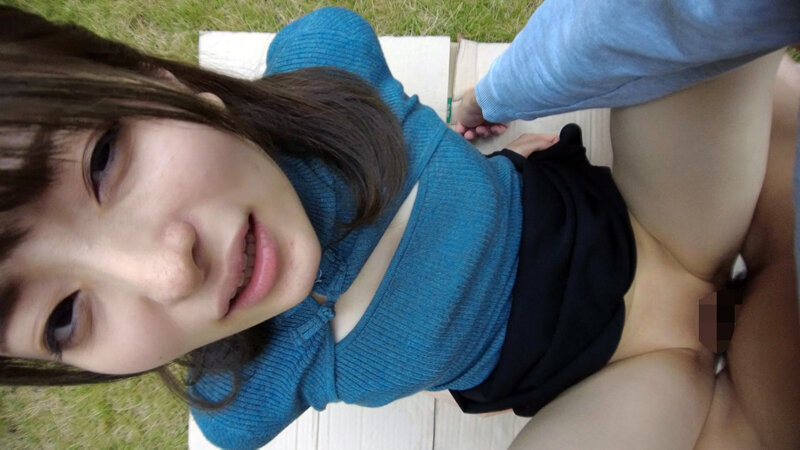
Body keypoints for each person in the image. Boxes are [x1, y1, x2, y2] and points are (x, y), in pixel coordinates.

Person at [0, 5, 790, 449]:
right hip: (616, 382)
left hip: (658, 224)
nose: (171, 272)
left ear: (156, 79)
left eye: (102, 160)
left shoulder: (326, 63)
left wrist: (494, 102)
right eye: (62, 317)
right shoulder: (238, 401)